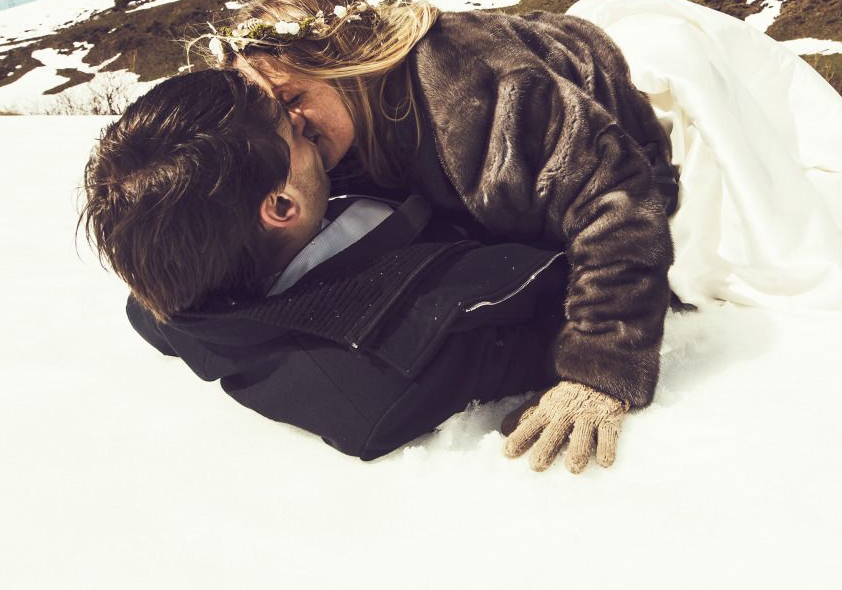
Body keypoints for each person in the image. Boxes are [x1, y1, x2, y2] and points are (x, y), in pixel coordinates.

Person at [82, 68, 650, 472]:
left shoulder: (177, 284)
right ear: (280, 207)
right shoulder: (401, 358)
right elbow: (579, 289)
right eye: (296, 134)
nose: (306, 125)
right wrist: (598, 372)